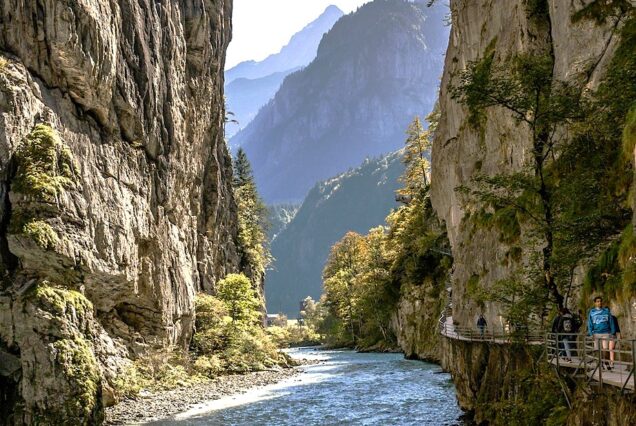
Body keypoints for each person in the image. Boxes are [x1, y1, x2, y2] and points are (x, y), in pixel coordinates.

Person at [587, 296, 616, 370]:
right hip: (596, 333)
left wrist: (613, 332)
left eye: (600, 301)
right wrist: (591, 333)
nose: (599, 303)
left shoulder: (606, 311)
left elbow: (611, 322)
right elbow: (589, 323)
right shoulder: (592, 312)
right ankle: (600, 364)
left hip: (606, 332)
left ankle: (605, 362)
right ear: (595, 303)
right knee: (597, 349)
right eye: (597, 301)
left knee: (605, 349)